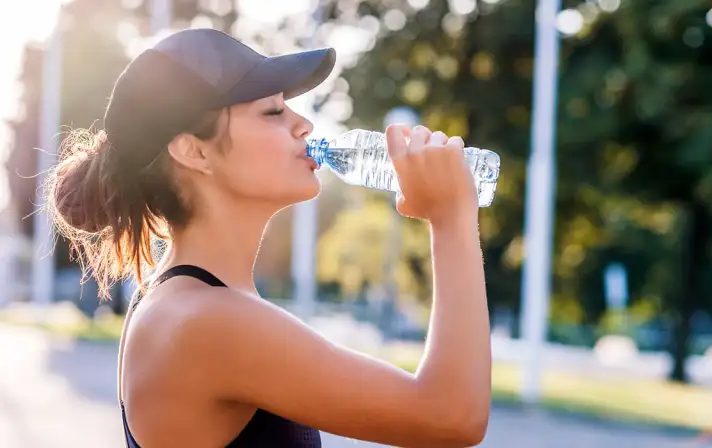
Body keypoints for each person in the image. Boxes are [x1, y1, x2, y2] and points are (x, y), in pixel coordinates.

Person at [46, 28, 490, 447]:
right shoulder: (205, 321)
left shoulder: (193, 302)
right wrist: (450, 220)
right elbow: (451, 415)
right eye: (274, 111)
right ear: (193, 150)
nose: (304, 126)